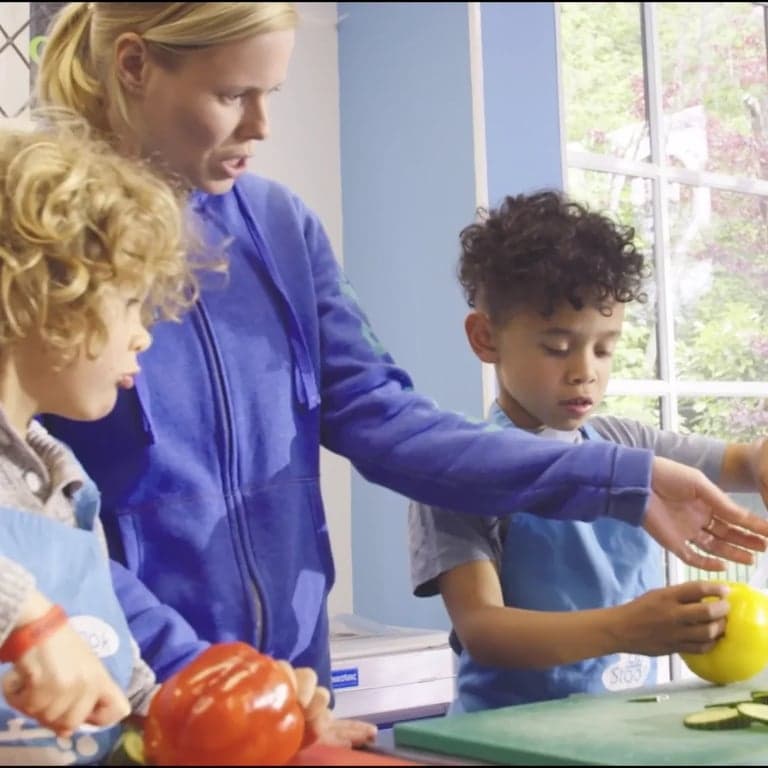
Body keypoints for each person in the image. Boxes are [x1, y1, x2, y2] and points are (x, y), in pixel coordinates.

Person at [35, 2, 768, 702]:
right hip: (112, 688)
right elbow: (36, 528)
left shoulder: (282, 226)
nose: (261, 126)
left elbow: (396, 426)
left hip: (290, 691)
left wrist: (621, 477)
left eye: (272, 93)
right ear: (134, 65)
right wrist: (193, 673)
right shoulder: (38, 237)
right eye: (233, 94)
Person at [0, 122, 347, 762]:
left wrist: (242, 705)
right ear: (42, 300)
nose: (144, 337)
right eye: (131, 305)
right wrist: (27, 619)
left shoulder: (61, 479)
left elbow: (112, 654)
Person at [408, 190, 768, 713]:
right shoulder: (454, 471)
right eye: (557, 347)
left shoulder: (628, 442)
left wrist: (760, 459)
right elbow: (484, 628)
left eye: (605, 347)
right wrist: (625, 628)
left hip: (623, 730)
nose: (585, 371)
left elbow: (742, 463)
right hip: (502, 741)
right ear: (486, 338)